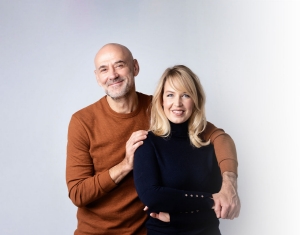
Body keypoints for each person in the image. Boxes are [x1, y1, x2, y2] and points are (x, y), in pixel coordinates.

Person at [66, 43, 240, 235]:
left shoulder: (160, 108)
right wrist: (125, 165)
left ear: (135, 67)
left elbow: (218, 136)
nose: (113, 74)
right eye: (104, 69)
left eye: (120, 65)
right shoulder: (82, 121)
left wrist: (229, 183)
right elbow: (78, 193)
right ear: (98, 77)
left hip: (146, 231)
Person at [134, 65, 231, 234]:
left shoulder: (209, 144)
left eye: (185, 95)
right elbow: (152, 196)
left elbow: (219, 209)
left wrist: (175, 218)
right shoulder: (148, 144)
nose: (177, 103)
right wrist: (209, 200)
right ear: (161, 100)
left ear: (195, 100)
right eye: (170, 95)